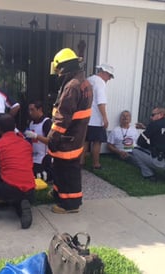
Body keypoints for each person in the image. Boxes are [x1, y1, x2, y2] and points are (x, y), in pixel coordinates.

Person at [47, 48, 93, 214]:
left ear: (64, 68)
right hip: (77, 135)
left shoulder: (72, 87)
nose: (57, 74)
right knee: (62, 168)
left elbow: (63, 116)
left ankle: (70, 204)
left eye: (58, 70)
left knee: (67, 170)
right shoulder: (83, 82)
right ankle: (60, 194)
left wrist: (53, 137)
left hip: (67, 137)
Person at [132, 107, 165, 184]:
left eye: (153, 115)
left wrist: (150, 147)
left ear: (161, 114)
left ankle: (149, 175)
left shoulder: (154, 125)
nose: (151, 117)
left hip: (159, 161)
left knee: (135, 150)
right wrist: (146, 127)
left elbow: (140, 142)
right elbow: (163, 132)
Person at [81, 64, 114, 169]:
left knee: (85, 140)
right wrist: (104, 117)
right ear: (104, 73)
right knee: (97, 141)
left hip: (85, 116)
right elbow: (101, 102)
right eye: (109, 76)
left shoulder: (88, 80)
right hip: (95, 118)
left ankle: (81, 162)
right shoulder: (100, 83)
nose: (109, 79)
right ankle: (96, 164)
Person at [23, 100, 53, 181]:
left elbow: (50, 141)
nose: (30, 112)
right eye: (29, 110)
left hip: (44, 158)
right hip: (33, 157)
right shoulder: (31, 123)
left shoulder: (46, 122)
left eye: (32, 110)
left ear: (39, 110)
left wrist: (36, 136)